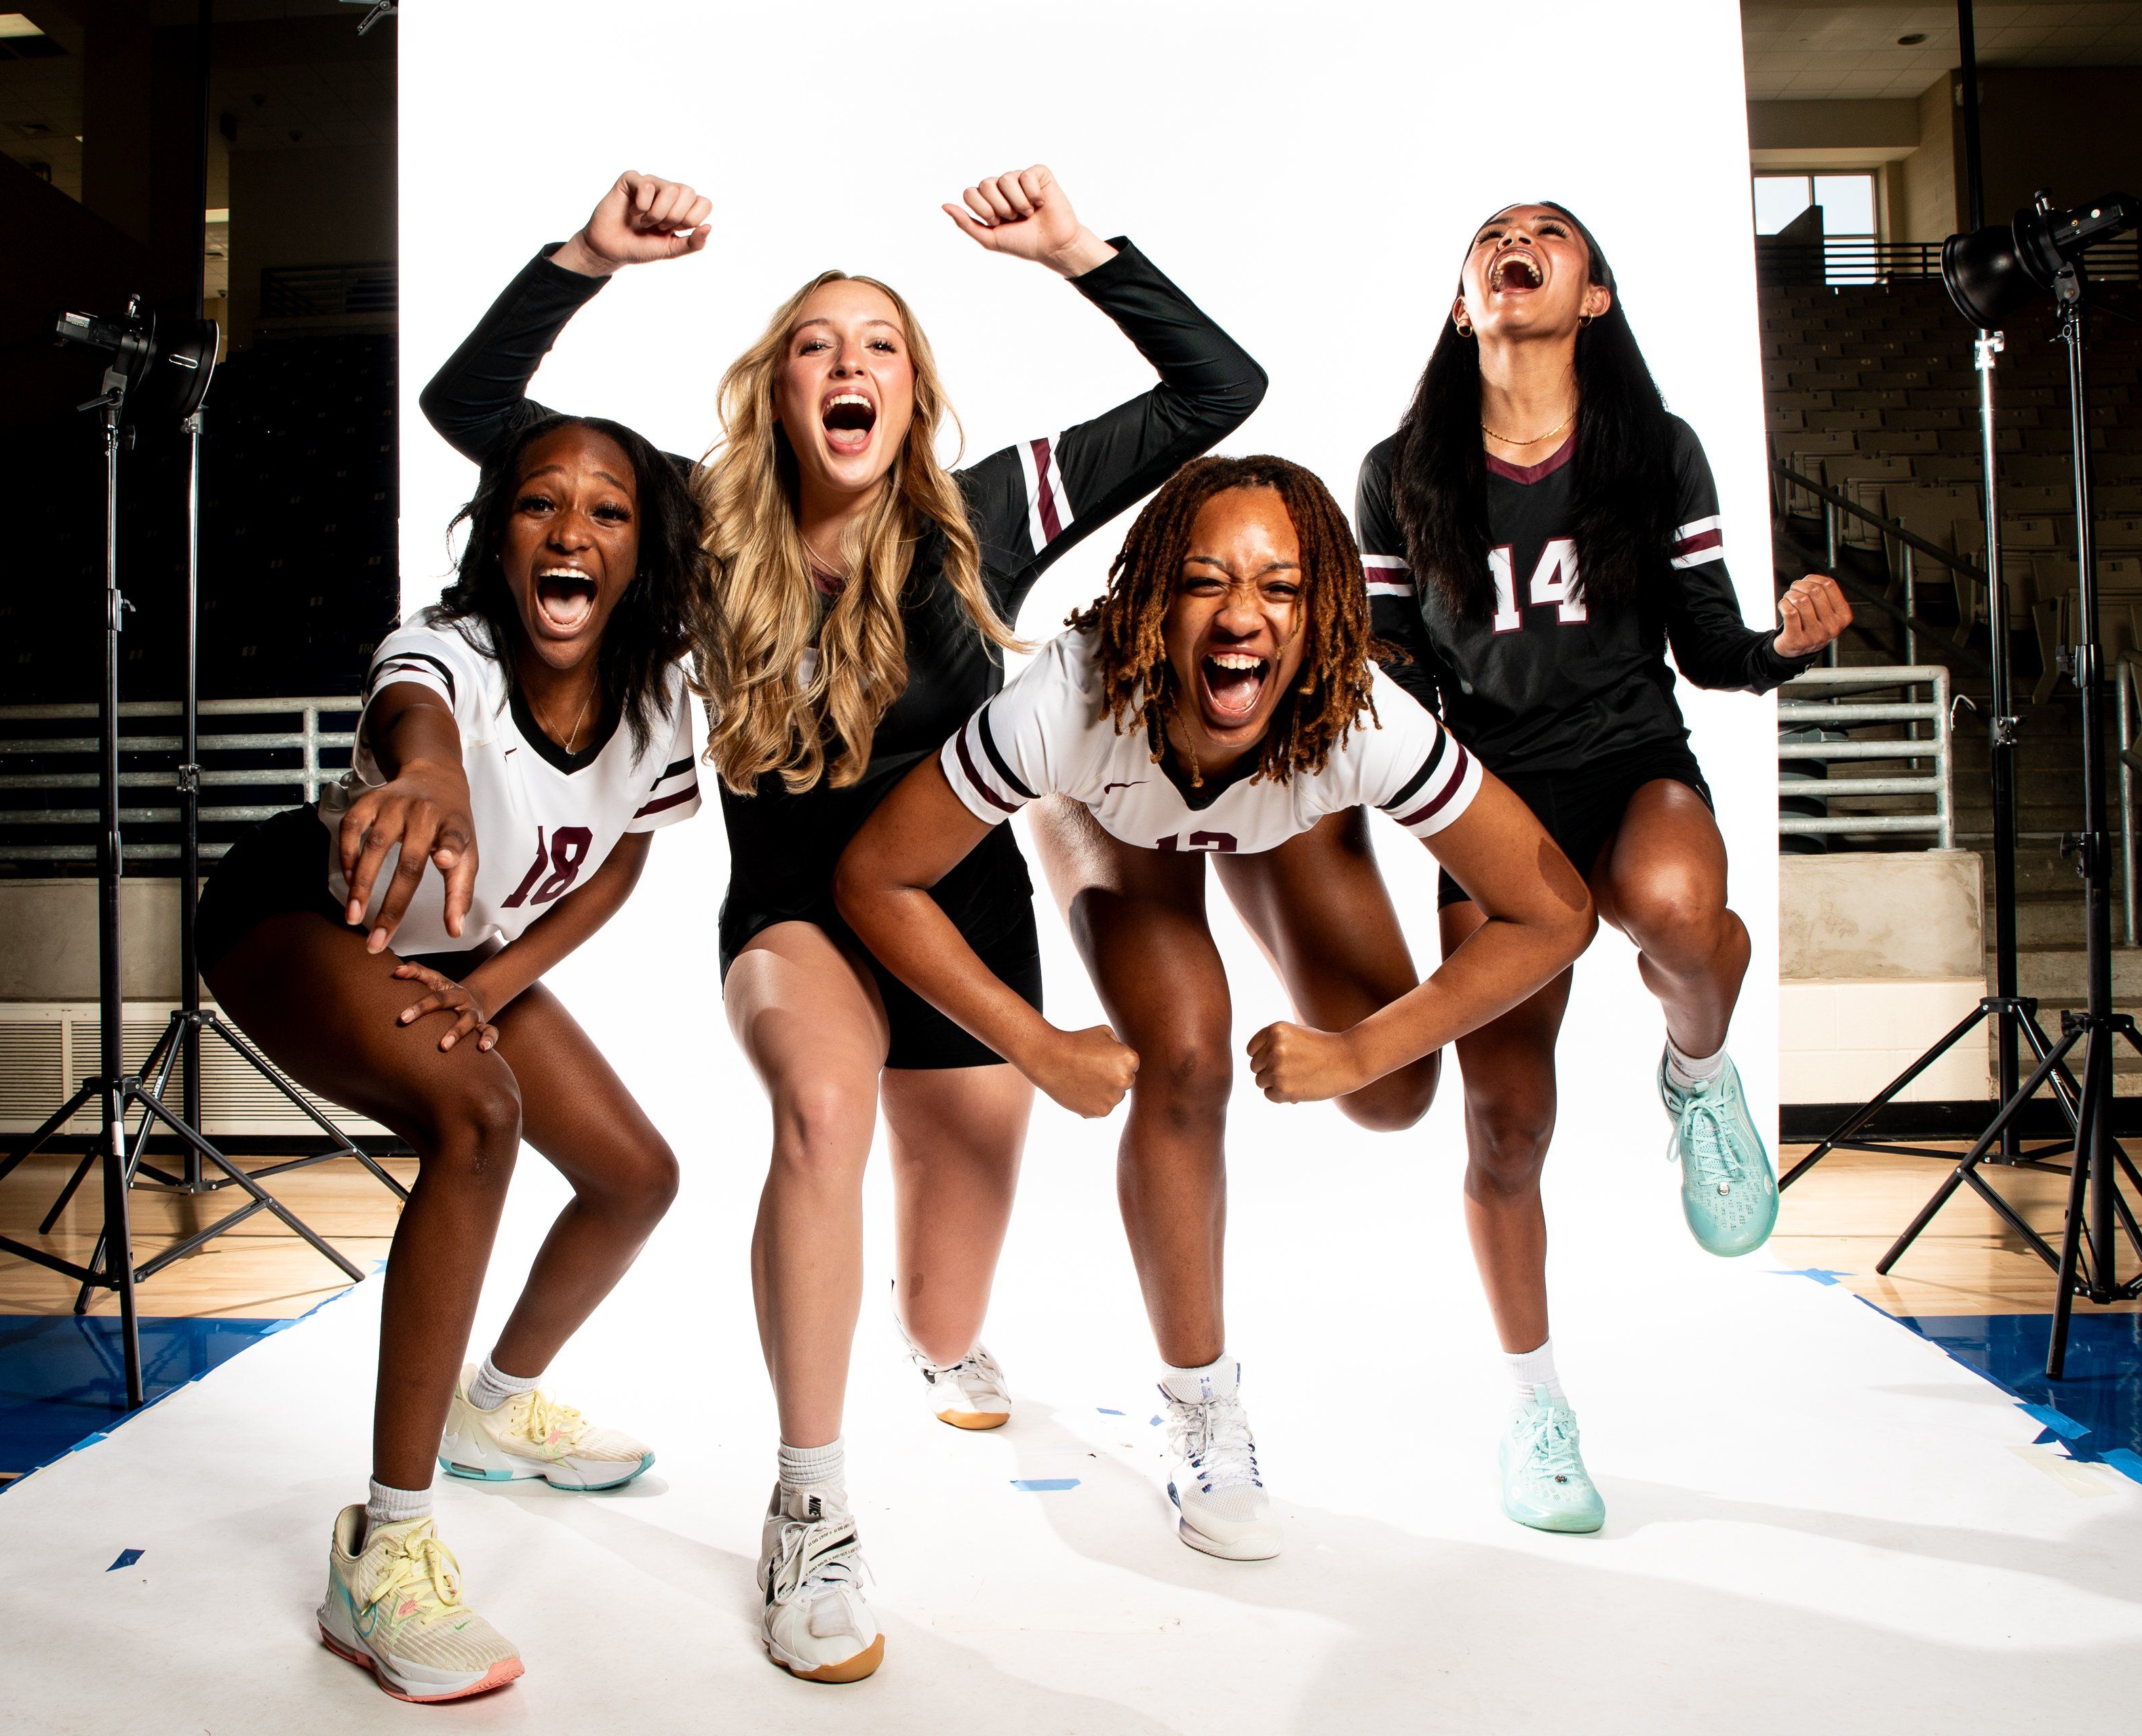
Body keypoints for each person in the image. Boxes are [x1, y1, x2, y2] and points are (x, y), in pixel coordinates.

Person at [421, 165, 1264, 1680]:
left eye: (878, 343)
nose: (847, 363)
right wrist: (587, 257)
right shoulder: (693, 520)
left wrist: (1078, 252)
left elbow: (1219, 389)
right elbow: (471, 408)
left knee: (943, 1312)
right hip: (796, 909)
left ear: (911, 391)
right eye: (815, 344)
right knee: (820, 1111)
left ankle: (935, 1334)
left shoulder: (989, 512)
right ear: (778, 390)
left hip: (963, 917)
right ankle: (809, 1506)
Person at [836, 454, 1595, 1560]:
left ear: (1321, 612)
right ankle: (1202, 1404)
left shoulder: (1362, 717)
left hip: (1285, 802)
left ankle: (1282, 823)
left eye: (1281, 587)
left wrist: (1357, 1051)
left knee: (1394, 1095)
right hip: (1122, 814)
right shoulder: (1069, 700)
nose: (1244, 615)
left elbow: (1556, 912)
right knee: (1187, 1056)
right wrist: (1037, 1045)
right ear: (1155, 598)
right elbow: (875, 878)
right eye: (1206, 581)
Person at [1354, 201, 1851, 1535]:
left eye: (1549, 234)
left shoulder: (1652, 451)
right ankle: (1536, 1408)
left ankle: (1699, 1073)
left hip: (1631, 760)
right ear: (1464, 302)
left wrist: (1787, 644)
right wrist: (1380, 746)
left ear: (1593, 297)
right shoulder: (1400, 471)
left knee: (1679, 911)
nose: (1514, 241)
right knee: (1506, 1129)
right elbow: (1396, 670)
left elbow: (1711, 648)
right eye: (1491, 235)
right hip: (1493, 800)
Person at [194, 413, 706, 1701]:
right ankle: (386, 1550)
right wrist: (433, 779)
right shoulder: (447, 650)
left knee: (636, 1176)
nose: (571, 529)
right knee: (479, 1115)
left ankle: (495, 1405)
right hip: (303, 913)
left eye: (607, 509)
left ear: (641, 551)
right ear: (501, 536)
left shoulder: (657, 698)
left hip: (455, 949)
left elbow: (621, 863)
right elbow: (415, 722)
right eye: (540, 503)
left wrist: (494, 980)